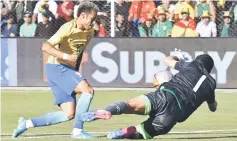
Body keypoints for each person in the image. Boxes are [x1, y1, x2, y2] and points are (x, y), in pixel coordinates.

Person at [12, 1, 99, 139]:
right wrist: (66, 56)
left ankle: (26, 123)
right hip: (56, 67)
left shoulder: (90, 32)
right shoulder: (67, 28)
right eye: (92, 19)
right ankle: (78, 131)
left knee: (69, 113)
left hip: (65, 70)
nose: (94, 22)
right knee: (87, 91)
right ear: (82, 16)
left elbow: (80, 52)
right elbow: (45, 46)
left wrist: (74, 70)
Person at [82, 52, 218, 139]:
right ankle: (125, 132)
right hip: (175, 115)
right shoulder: (211, 83)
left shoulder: (192, 65)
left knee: (129, 105)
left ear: (199, 61)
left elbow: (167, 60)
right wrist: (211, 100)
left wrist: (177, 56)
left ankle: (106, 111)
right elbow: (213, 108)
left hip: (166, 95)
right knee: (142, 132)